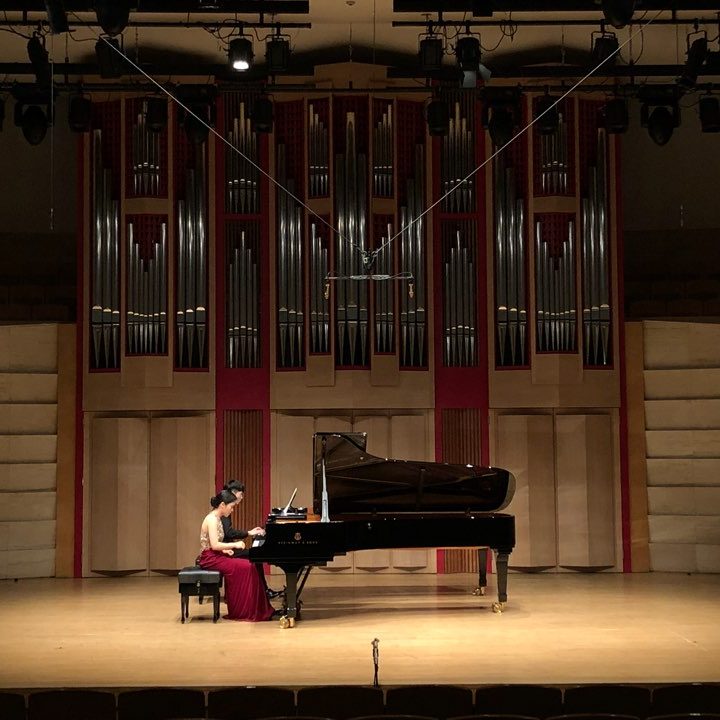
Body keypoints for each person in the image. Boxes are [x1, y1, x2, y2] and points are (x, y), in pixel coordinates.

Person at [198, 489, 277, 621]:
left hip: (215, 555)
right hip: (209, 558)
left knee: (250, 565)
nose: (232, 510)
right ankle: (243, 611)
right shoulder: (211, 519)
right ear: (222, 505)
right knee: (247, 567)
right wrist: (234, 545)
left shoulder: (217, 518)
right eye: (231, 506)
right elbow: (214, 545)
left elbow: (214, 545)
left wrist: (225, 550)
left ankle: (256, 608)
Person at [223, 480, 284, 600]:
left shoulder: (226, 506)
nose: (242, 497)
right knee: (256, 556)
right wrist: (249, 533)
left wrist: (249, 533)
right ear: (234, 492)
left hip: (228, 547)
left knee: (256, 555)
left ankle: (263, 591)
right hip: (225, 549)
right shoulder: (225, 508)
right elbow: (228, 532)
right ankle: (263, 592)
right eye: (241, 494)